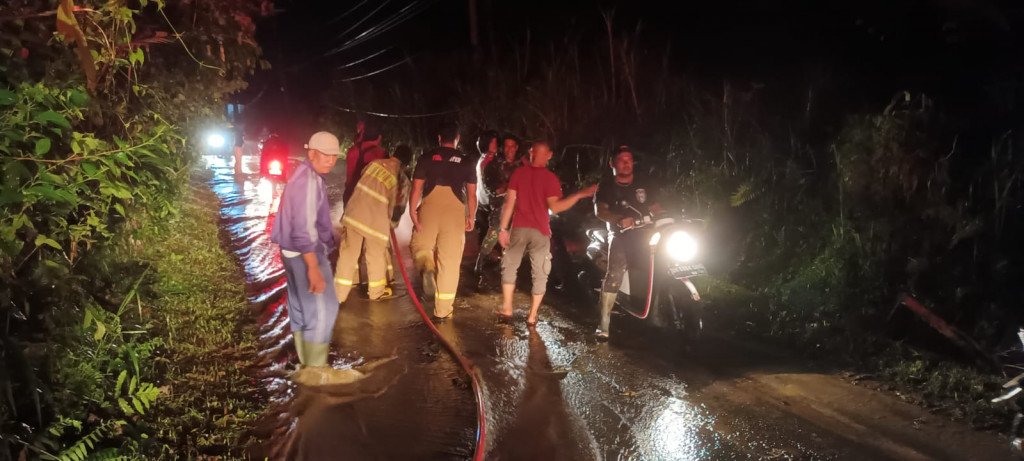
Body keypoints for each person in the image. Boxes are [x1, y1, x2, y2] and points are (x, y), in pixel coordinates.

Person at [270, 131, 346, 385]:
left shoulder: (306, 176)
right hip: (306, 254)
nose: (331, 160)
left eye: (334, 156)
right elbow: (304, 229)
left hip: (291, 252)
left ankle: (305, 364)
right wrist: (313, 266)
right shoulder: (309, 181)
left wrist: (333, 238)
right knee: (324, 308)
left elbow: (315, 221)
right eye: (326, 154)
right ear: (311, 153)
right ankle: (316, 372)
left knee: (301, 307)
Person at [496, 141, 597, 325]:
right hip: (540, 231)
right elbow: (556, 207)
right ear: (549, 155)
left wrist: (503, 229)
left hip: (518, 228)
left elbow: (509, 203)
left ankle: (507, 308)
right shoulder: (551, 178)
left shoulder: (519, 173)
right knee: (540, 273)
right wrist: (579, 195)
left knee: (510, 266)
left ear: (531, 153)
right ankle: (532, 315)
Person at [409, 122, 477, 319]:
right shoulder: (467, 161)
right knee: (450, 262)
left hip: (430, 208)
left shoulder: (426, 157)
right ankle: (443, 311)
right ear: (457, 139)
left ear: (439, 138)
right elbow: (472, 195)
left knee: (420, 245)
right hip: (455, 212)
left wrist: (413, 212)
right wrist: (471, 216)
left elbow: (416, 189)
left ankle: (427, 266)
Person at [593, 146, 661, 339]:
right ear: (612, 163)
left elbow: (656, 205)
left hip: (646, 233)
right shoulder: (606, 186)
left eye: (629, 159)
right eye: (621, 159)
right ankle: (604, 323)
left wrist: (657, 214)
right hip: (620, 235)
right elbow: (601, 211)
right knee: (615, 272)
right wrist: (619, 219)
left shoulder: (644, 183)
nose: (626, 162)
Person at [333, 144, 412, 302]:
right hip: (376, 222)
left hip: (353, 214)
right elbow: (399, 207)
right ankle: (376, 293)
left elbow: (361, 179)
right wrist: (393, 223)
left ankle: (338, 296)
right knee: (375, 257)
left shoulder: (375, 164)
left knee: (348, 256)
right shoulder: (402, 178)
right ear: (406, 163)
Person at [474, 135, 520, 277]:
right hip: (498, 207)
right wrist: (509, 189)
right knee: (494, 233)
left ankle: (508, 266)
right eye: (506, 146)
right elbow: (492, 188)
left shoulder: (521, 165)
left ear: (517, 147)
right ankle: (480, 265)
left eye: (512, 146)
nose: (509, 149)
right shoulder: (493, 164)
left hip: (518, 209)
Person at [343, 120, 385, 205]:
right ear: (379, 138)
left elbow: (350, 175)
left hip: (352, 192)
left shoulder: (353, 151)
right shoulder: (382, 154)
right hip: (371, 197)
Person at [474, 131, 499, 241]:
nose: (496, 145)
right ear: (486, 144)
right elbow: (491, 187)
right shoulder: (488, 161)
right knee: (491, 238)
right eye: (493, 142)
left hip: (482, 205)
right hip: (489, 206)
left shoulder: (482, 159)